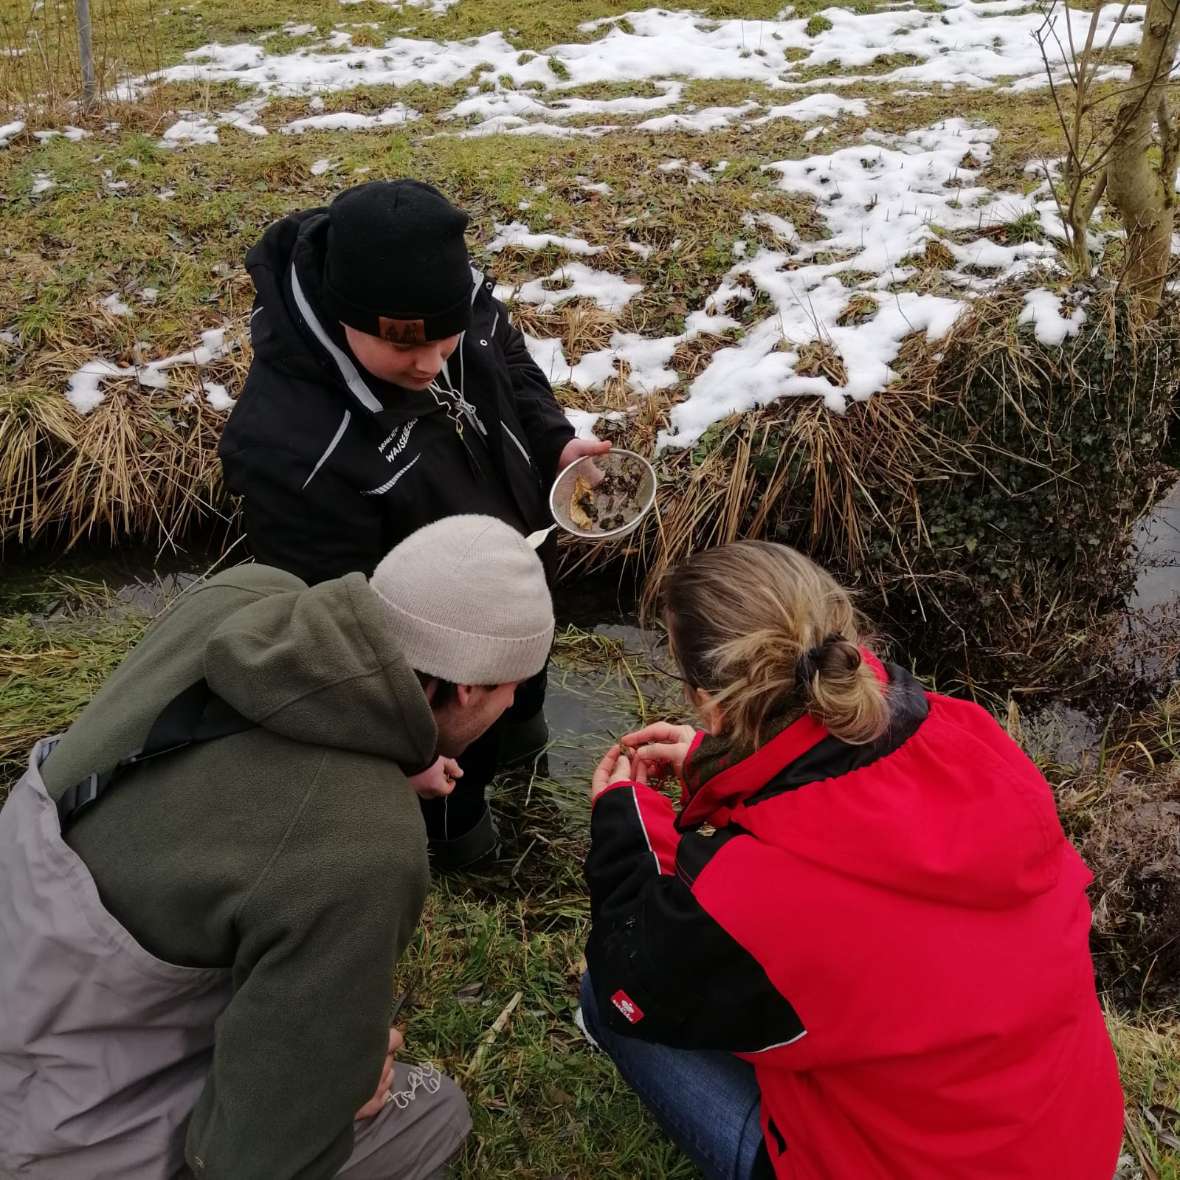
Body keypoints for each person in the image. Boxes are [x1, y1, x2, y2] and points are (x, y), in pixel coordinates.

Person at [0, 515, 554, 1180]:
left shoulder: (244, 596)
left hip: (24, 961)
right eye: (511, 686)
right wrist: (339, 1095)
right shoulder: (366, 846)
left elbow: (264, 736)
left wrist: (392, 757)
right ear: (468, 688)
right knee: (432, 1112)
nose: (513, 700)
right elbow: (247, 1162)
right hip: (52, 1136)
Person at [579, 541, 1124, 1179]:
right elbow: (833, 797)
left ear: (712, 703)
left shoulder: (754, 898)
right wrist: (717, 761)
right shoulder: (968, 734)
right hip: (1074, 1144)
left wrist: (622, 816)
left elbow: (634, 983)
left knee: (602, 998)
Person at [218, 177, 609, 868]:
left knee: (524, 718)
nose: (431, 365)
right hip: (436, 677)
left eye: (444, 341)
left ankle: (524, 740)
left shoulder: (449, 298)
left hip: (513, 585)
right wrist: (400, 748)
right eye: (404, 350)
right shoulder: (291, 445)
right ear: (346, 317)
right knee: (459, 804)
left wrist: (554, 443)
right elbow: (329, 625)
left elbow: (509, 365)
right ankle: (461, 853)